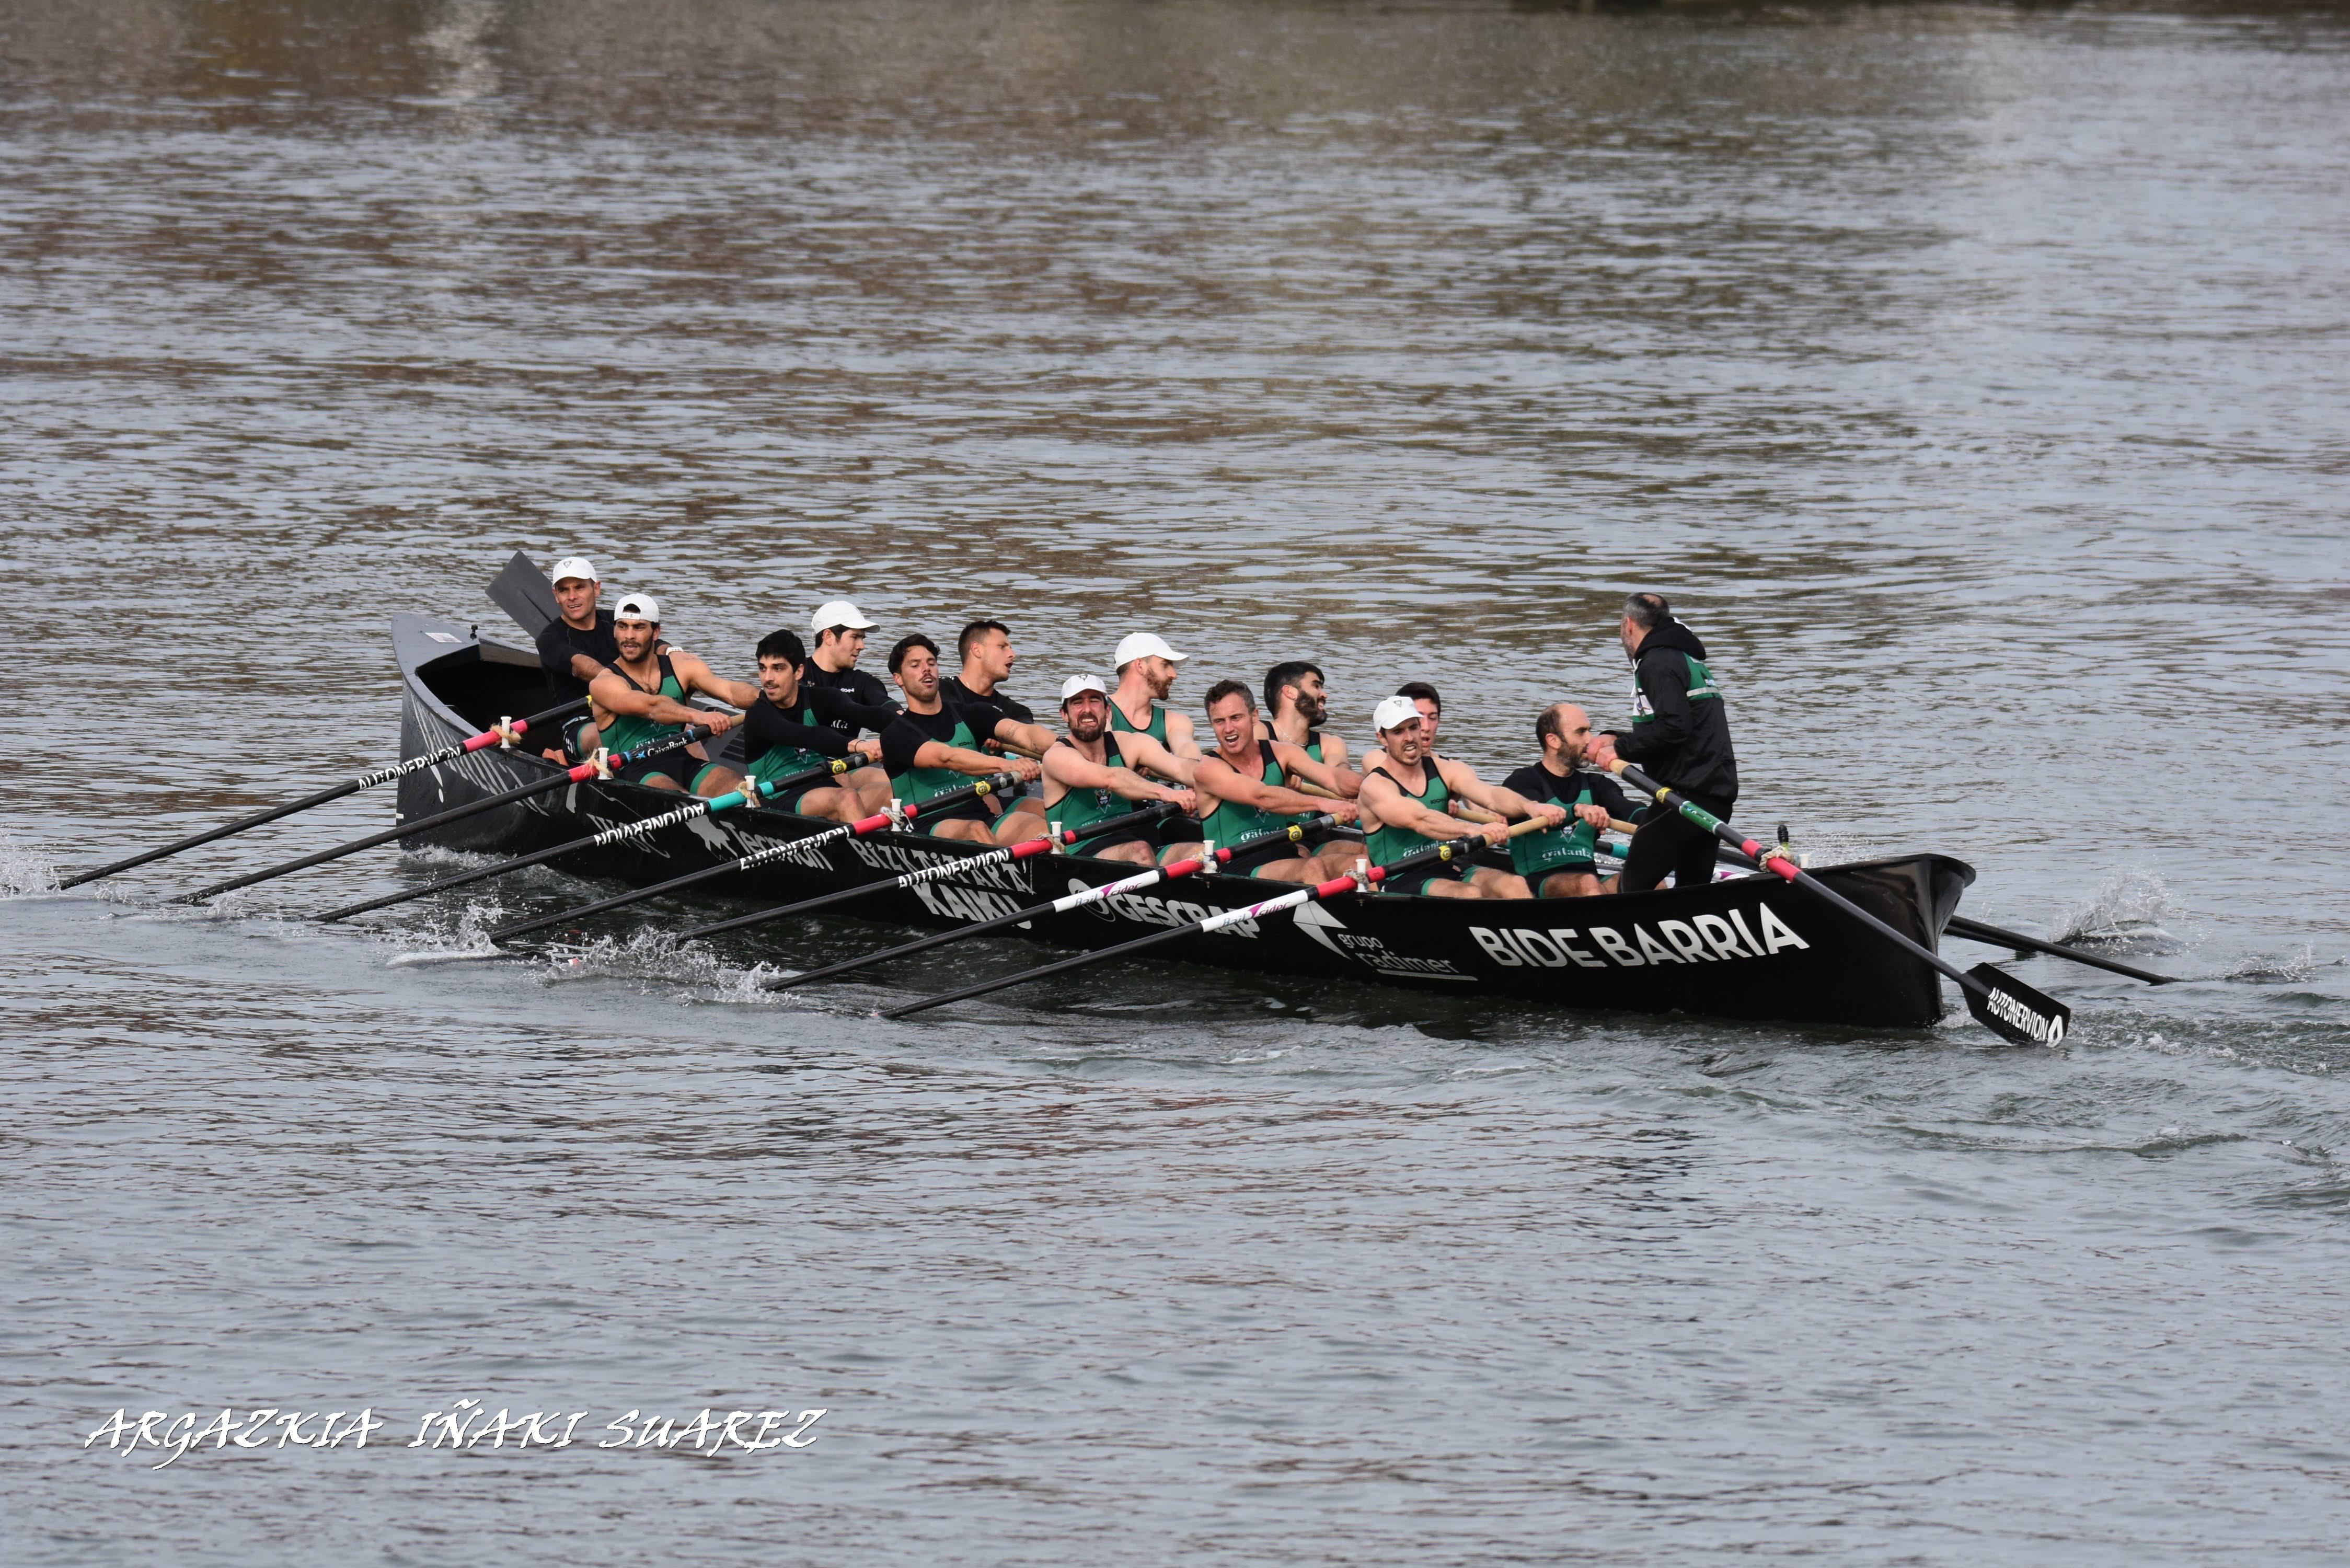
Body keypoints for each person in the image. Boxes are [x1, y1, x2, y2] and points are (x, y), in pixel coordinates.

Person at [1586, 593, 1739, 893]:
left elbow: (1675, 727)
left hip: (1685, 799)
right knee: (1691, 891)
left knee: (1632, 887)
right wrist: (1618, 738)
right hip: (1715, 796)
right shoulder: (1683, 658)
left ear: (1628, 625)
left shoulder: (1655, 662)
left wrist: (1619, 750)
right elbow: (1680, 725)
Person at [1357, 695, 1564, 899]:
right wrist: (1472, 829)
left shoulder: (1447, 769)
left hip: (1446, 864)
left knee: (1514, 884)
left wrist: (1531, 807)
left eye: (1413, 727)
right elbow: (1420, 820)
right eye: (1398, 732)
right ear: (1382, 738)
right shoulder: (1375, 786)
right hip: (1400, 877)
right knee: (1468, 894)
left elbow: (1490, 794)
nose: (1409, 738)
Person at [1160, 680, 1363, 883]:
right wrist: (1324, 803)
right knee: (1313, 866)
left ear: (1254, 717)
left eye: (1236, 718)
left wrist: (1370, 789)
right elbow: (1262, 796)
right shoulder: (1209, 769)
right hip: (1237, 865)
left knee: (1361, 862)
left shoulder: (1282, 753)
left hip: (1285, 854)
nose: (1228, 728)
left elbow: (1333, 778)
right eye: (1219, 721)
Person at [691, 629, 896, 822]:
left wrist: (915, 728)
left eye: (778, 668)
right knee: (847, 798)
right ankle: (862, 857)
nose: (768, 679)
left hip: (823, 785)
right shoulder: (759, 713)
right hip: (780, 796)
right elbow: (805, 735)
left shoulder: (821, 698)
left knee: (894, 794)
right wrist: (860, 745)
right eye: (763, 669)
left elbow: (867, 715)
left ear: (798, 672)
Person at [1000, 675, 1197, 864]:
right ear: (1064, 715)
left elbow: (1181, 767)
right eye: (1077, 703)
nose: (1087, 710)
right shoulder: (1057, 756)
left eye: (1094, 701)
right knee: (1140, 851)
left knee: (1200, 853)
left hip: (1133, 840)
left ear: (1107, 710)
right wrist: (1167, 793)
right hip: (1082, 851)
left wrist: (1211, 776)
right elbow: (1112, 778)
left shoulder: (1130, 743)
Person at [876, 635, 1047, 842]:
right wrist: (1008, 766)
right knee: (975, 831)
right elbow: (947, 758)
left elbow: (1025, 733)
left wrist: (1063, 746)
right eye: (915, 665)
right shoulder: (896, 733)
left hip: (979, 814)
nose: (926, 669)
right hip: (925, 825)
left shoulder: (971, 714)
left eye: (931, 663)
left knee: (1038, 823)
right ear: (899, 679)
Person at [585, 594, 745, 791]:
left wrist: (766, 699)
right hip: (633, 770)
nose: (629, 636)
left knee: (736, 787)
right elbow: (652, 707)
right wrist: (700, 716)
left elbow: (729, 690)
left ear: (656, 632)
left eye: (639, 627)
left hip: (681, 760)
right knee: (674, 795)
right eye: (623, 626)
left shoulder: (682, 667)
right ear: (615, 632)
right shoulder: (604, 682)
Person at [1502, 703, 1639, 898]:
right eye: (1581, 732)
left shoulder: (1597, 784)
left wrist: (1665, 820)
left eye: (1590, 731)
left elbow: (1632, 812)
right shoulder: (1522, 782)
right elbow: (1546, 818)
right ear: (1554, 740)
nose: (1590, 740)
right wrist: (1577, 810)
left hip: (1590, 884)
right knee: (1587, 883)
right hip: (1538, 883)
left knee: (1651, 880)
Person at [534, 557, 620, 762]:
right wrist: (625, 685)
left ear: (597, 589)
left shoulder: (618, 622)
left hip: (629, 711)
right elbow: (582, 666)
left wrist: (674, 654)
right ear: (556, 596)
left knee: (686, 729)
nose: (572, 597)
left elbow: (656, 645)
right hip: (580, 727)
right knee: (616, 733)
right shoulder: (549, 639)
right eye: (564, 590)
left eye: (580, 587)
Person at [1108, 632, 1202, 762]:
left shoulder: (1176, 722)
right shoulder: (1099, 713)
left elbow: (1188, 754)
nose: (1174, 675)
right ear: (1140, 665)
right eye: (1165, 665)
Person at [803, 599, 893, 733]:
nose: (862, 646)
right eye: (855, 637)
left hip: (846, 753)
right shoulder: (795, 673)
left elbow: (886, 704)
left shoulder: (863, 682)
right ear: (828, 637)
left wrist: (900, 716)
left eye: (862, 639)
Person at [1260, 661, 1353, 773]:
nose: (1325, 695)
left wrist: (1343, 772)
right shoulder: (1258, 732)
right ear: (1290, 692)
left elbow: (1341, 773)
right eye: (1316, 686)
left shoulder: (1331, 744)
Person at [1393, 681, 1444, 755]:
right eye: (1418, 718)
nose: (1426, 728)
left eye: (1433, 718)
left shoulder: (1451, 766)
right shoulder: (1377, 761)